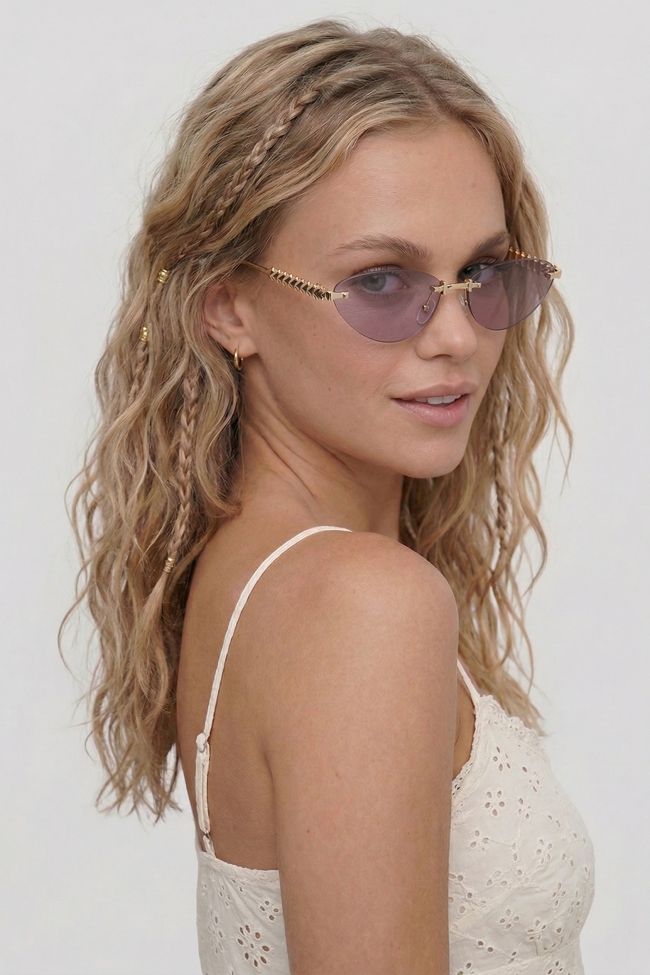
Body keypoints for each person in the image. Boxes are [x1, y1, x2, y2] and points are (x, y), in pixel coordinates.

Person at [67, 19, 595, 975]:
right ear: (227, 305)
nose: (457, 336)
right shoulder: (362, 603)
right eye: (381, 281)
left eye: (481, 274)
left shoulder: (259, 574)